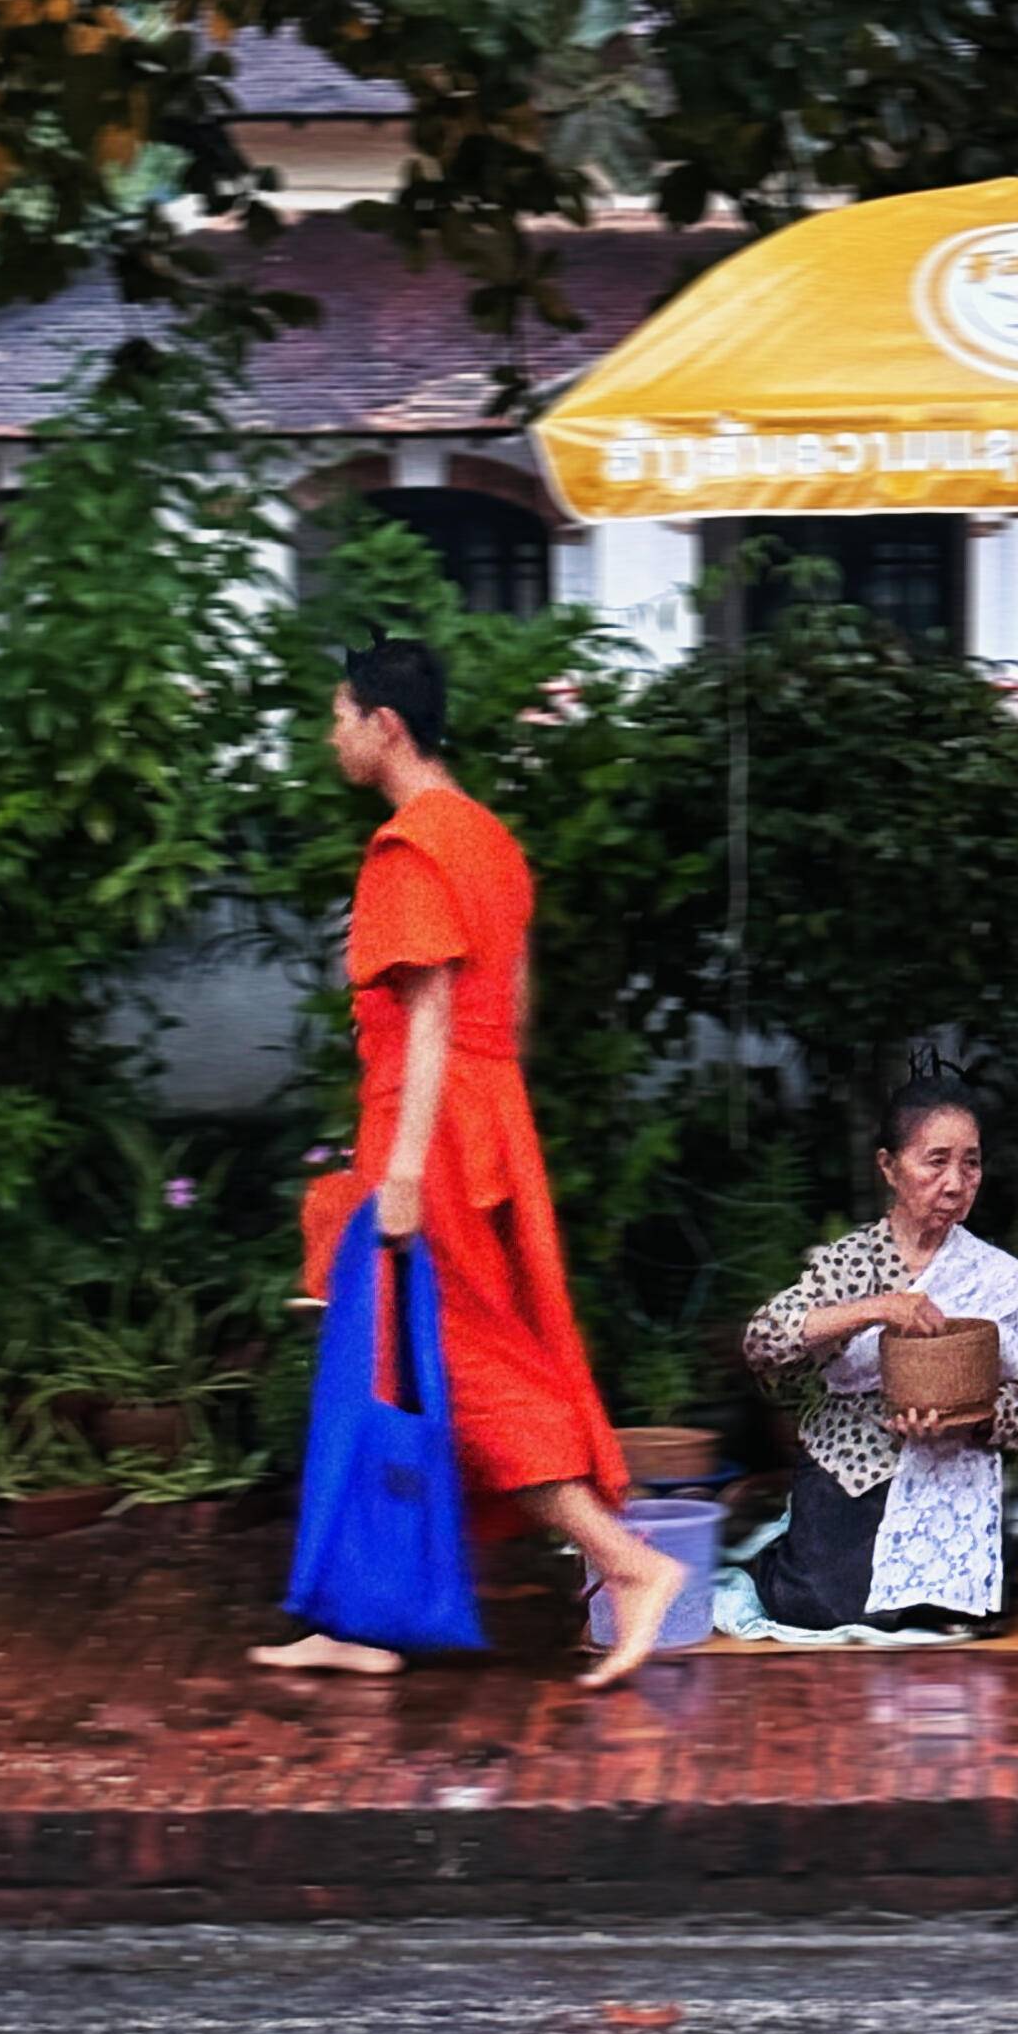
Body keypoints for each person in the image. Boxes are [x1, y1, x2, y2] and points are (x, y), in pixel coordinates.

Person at [257, 637, 671, 1688]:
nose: (331, 734)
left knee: (466, 1367)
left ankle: (626, 1561)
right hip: (483, 1120)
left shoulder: (412, 847)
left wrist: (400, 1171)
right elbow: (514, 1013)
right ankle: (359, 1616)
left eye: (340, 715)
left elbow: (432, 1014)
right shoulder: (487, 840)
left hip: (428, 1131)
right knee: (386, 1359)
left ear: (385, 725)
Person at [727, 1075, 1018, 1644]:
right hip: (854, 1466)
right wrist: (878, 1307)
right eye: (936, 1162)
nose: (955, 1183)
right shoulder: (850, 1263)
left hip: (953, 1466)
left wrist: (971, 1418)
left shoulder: (997, 1279)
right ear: (889, 1165)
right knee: (826, 1606)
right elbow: (762, 1342)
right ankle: (786, 1555)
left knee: (973, 1610)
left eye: (971, 1164)